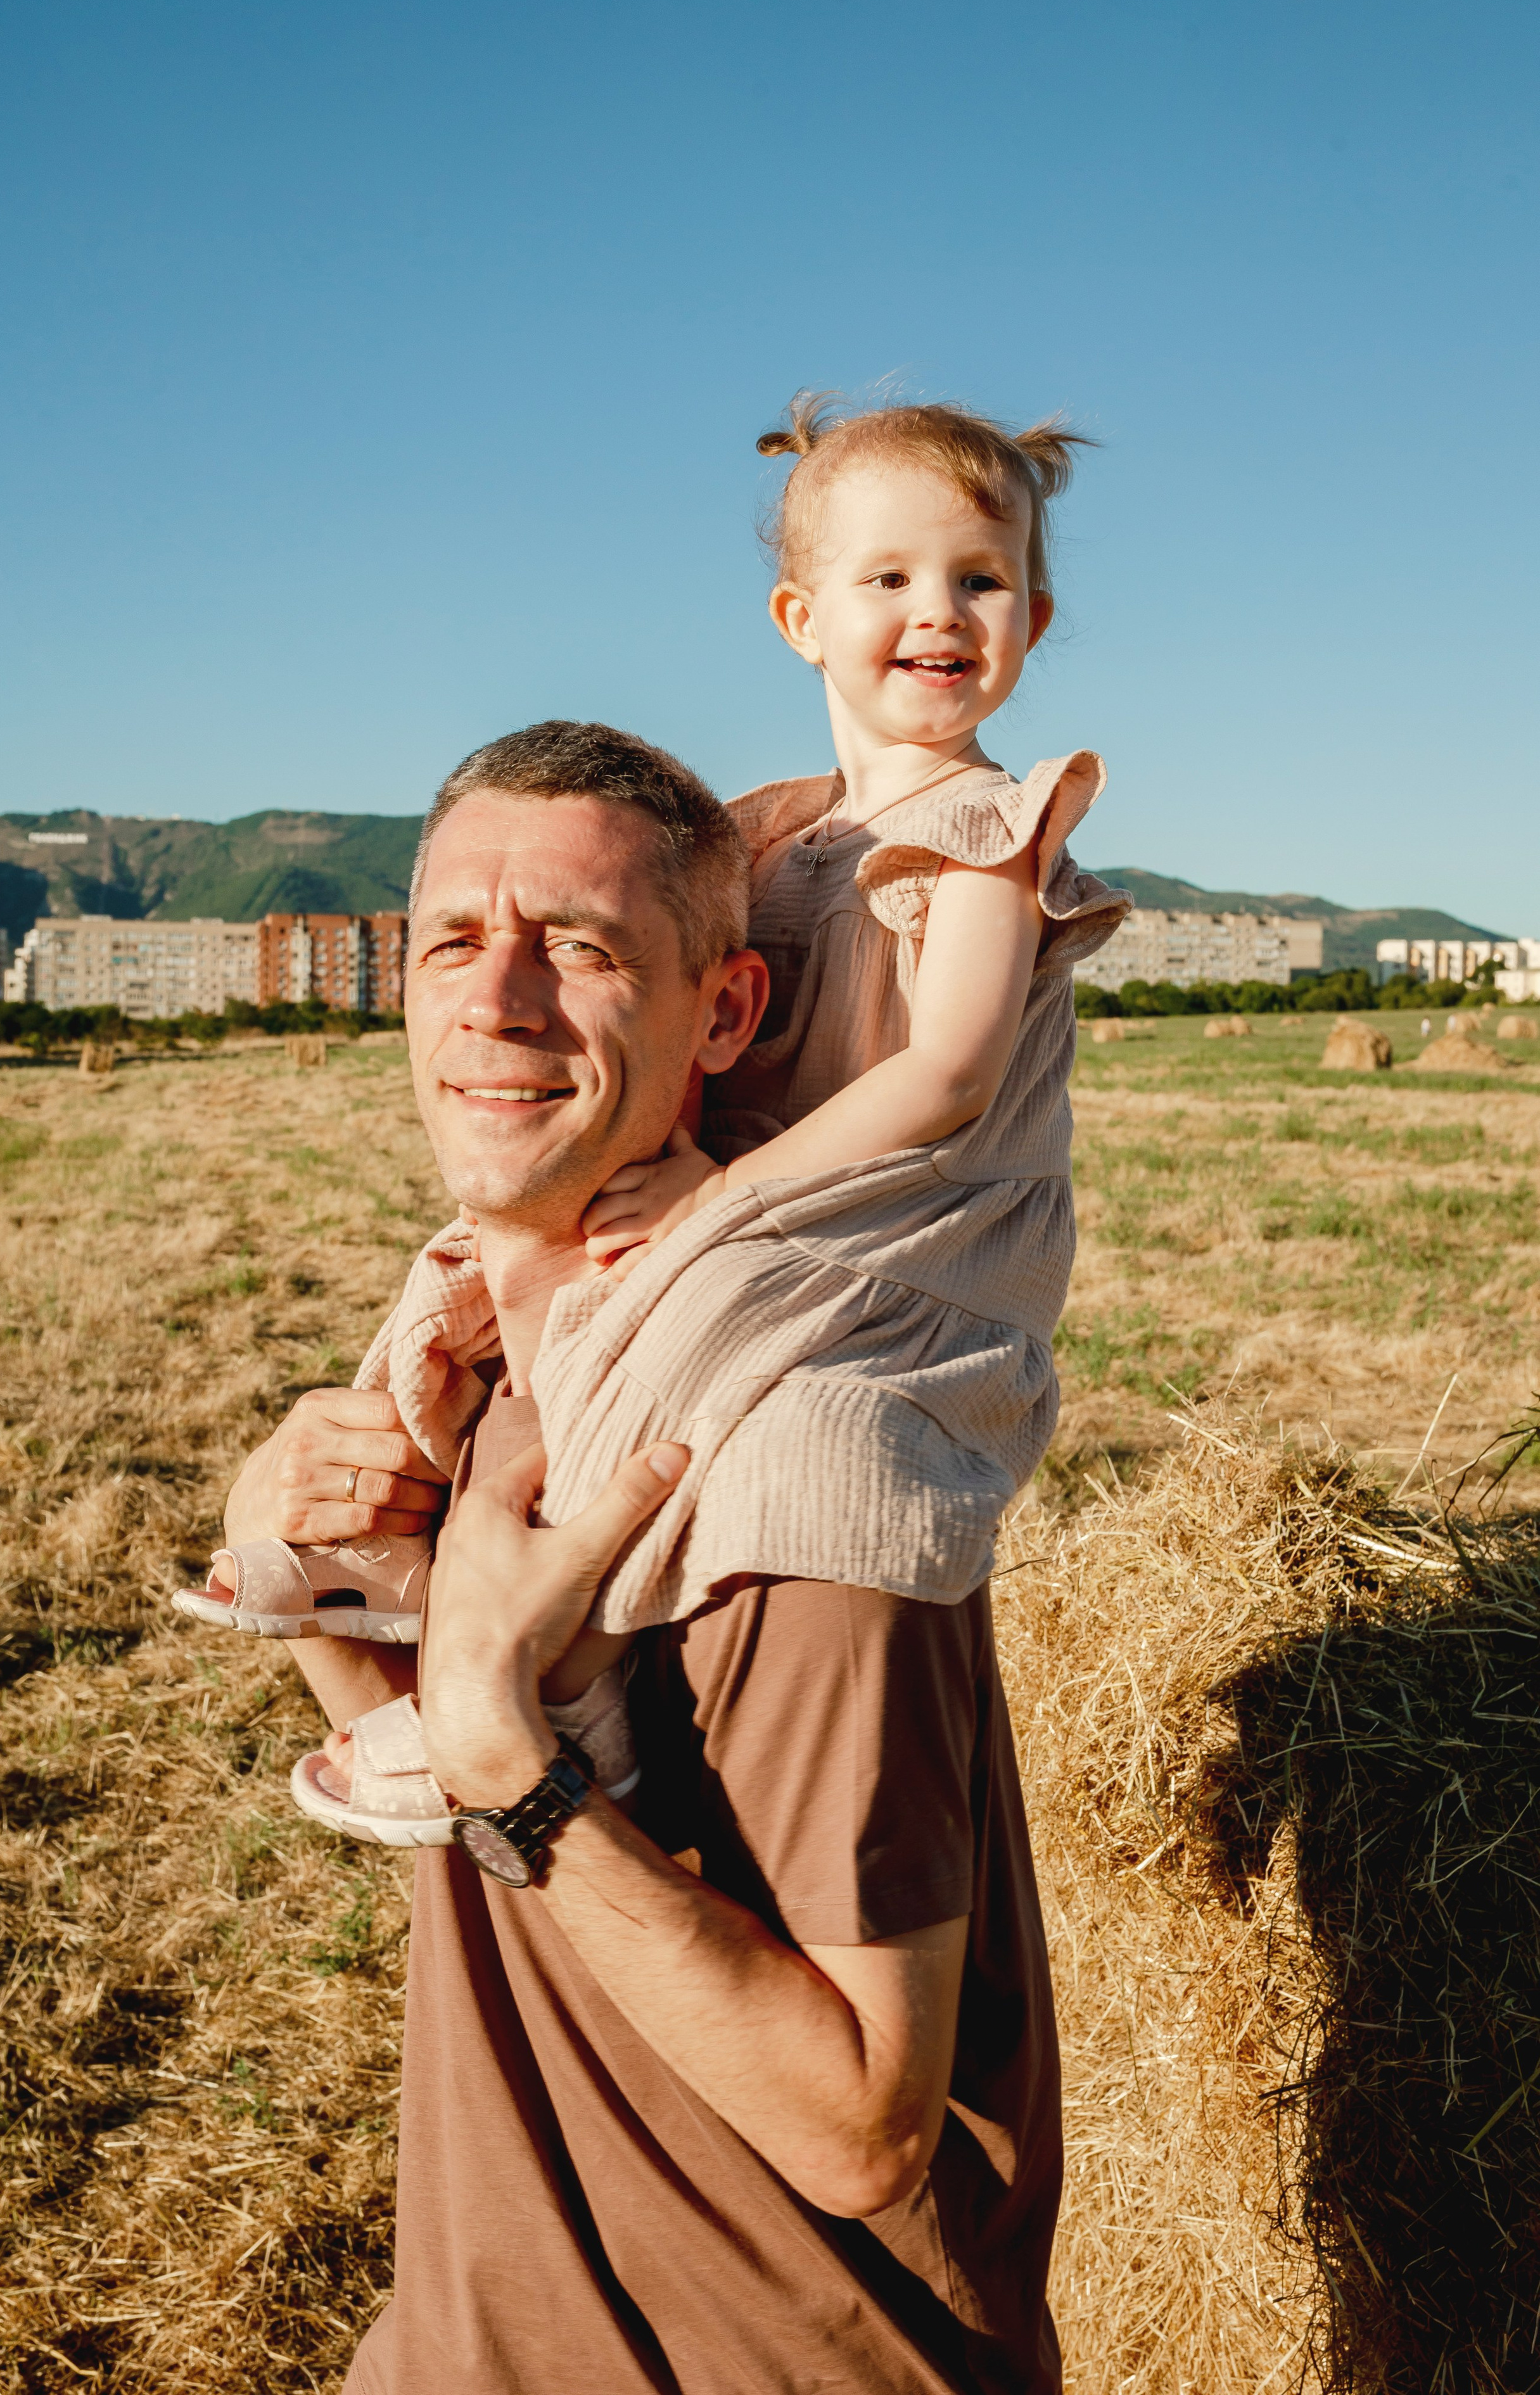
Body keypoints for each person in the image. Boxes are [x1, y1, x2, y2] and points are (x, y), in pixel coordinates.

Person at [216, 718, 1074, 2393]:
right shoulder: (474, 1379)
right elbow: (489, 1845)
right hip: (472, 2344)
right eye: (455, 940)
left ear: (727, 1014)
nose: (500, 1001)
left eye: (583, 950)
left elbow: (861, 2135)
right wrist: (315, 1583)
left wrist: (499, 1752)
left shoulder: (804, 1465)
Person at [182, 395, 1128, 1852]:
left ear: (1035, 615)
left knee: (648, 1364)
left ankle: (585, 1716)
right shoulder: (771, 835)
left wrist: (710, 1205)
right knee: (466, 1269)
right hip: (751, 1202)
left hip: (891, 1245)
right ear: (798, 616)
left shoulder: (987, 836)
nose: (935, 612)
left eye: (978, 579)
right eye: (886, 579)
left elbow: (942, 1081)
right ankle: (375, 1569)